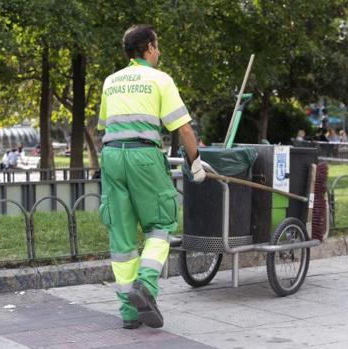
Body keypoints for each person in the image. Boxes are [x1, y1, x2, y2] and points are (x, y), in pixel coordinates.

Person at [97, 24, 204, 330]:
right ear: (148, 48)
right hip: (144, 157)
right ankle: (145, 285)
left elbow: (107, 124)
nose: (159, 52)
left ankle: (129, 312)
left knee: (121, 235)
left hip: (112, 157)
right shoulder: (159, 80)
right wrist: (195, 162)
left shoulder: (111, 81)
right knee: (162, 223)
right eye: (157, 46)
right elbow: (183, 128)